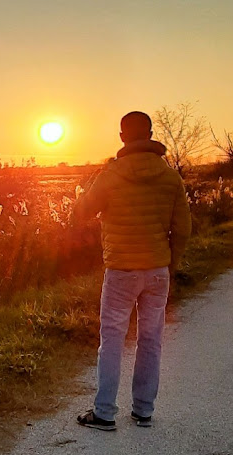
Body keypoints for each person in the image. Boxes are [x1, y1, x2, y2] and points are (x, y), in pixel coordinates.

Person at [71, 111, 192, 431]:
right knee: (151, 339)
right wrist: (170, 262)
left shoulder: (111, 173)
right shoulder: (170, 177)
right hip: (156, 270)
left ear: (123, 137)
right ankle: (143, 410)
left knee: (111, 338)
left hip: (121, 269)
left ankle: (105, 412)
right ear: (150, 134)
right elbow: (183, 229)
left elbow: (81, 212)